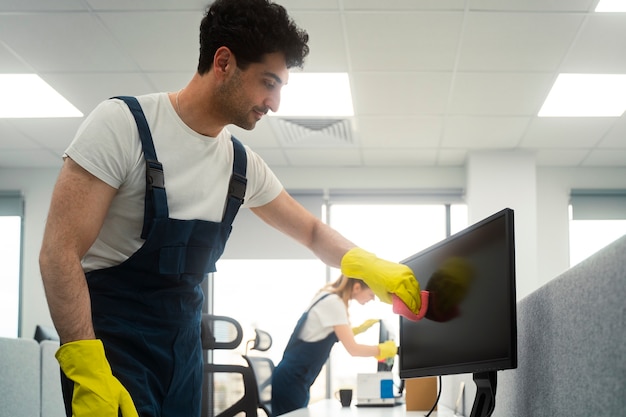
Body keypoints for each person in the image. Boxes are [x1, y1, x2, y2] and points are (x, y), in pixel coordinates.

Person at [38, 1, 422, 416]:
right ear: (223, 62)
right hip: (112, 352)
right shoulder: (123, 125)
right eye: (268, 83)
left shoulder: (241, 165)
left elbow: (310, 231)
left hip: (184, 357)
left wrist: (368, 264)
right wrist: (85, 365)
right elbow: (59, 253)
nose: (274, 103)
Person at [271, 275, 397, 416]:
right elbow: (353, 349)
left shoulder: (328, 297)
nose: (372, 298)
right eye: (371, 294)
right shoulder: (334, 302)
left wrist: (356, 330)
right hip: (291, 381)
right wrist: (382, 350)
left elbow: (322, 333)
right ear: (356, 287)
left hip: (295, 379)